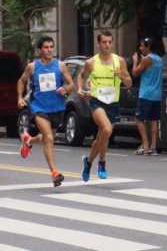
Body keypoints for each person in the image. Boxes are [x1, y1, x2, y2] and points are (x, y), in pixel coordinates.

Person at [17, 36, 74, 187]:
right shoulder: (33, 67)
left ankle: (28, 140)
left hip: (57, 107)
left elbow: (71, 84)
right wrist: (20, 98)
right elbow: (21, 81)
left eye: (51, 47)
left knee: (47, 137)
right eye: (46, 47)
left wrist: (65, 89)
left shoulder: (60, 66)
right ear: (40, 50)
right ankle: (54, 172)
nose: (49, 50)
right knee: (48, 138)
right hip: (38, 107)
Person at [77, 30, 132, 182]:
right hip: (96, 100)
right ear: (98, 43)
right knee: (107, 129)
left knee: (102, 136)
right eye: (104, 42)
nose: (107, 45)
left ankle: (88, 162)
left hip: (113, 102)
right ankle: (102, 163)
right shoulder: (91, 62)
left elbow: (129, 83)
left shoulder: (119, 61)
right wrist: (80, 89)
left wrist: (121, 76)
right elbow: (81, 77)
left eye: (109, 42)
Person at [132, 37, 163, 156]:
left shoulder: (147, 59)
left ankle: (145, 146)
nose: (140, 48)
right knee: (154, 120)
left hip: (146, 94)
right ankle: (153, 147)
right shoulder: (159, 59)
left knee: (139, 119)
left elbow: (135, 73)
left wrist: (136, 61)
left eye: (141, 46)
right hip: (157, 95)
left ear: (148, 47)